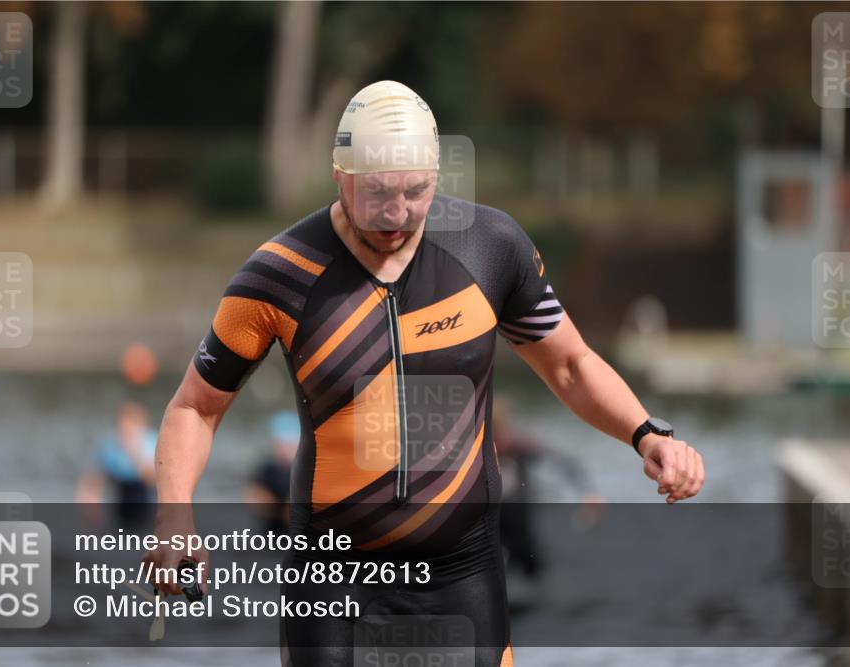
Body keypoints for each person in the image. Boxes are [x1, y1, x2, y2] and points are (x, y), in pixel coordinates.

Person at [144, 80, 705, 667]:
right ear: (340, 175)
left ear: (437, 176)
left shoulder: (490, 247)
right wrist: (175, 512)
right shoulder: (279, 275)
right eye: (377, 193)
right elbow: (195, 408)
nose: (396, 213)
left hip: (463, 572)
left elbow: (570, 364)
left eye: (415, 192)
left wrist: (648, 434)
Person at [492, 399, 605, 583]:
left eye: (498, 431)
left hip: (518, 512)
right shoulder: (473, 451)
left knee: (529, 556)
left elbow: (564, 463)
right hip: (488, 515)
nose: (497, 440)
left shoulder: (518, 446)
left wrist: (588, 492)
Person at [77, 401, 158, 525]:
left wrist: (133, 451)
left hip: (145, 498)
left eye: (131, 425)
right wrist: (90, 506)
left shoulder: (152, 442)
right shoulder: (111, 446)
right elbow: (94, 479)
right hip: (121, 498)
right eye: (122, 425)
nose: (125, 429)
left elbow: (154, 478)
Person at [245, 411, 300, 535]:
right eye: (280, 444)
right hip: (272, 528)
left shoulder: (306, 470)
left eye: (288, 445)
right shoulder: (267, 469)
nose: (284, 449)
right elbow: (253, 495)